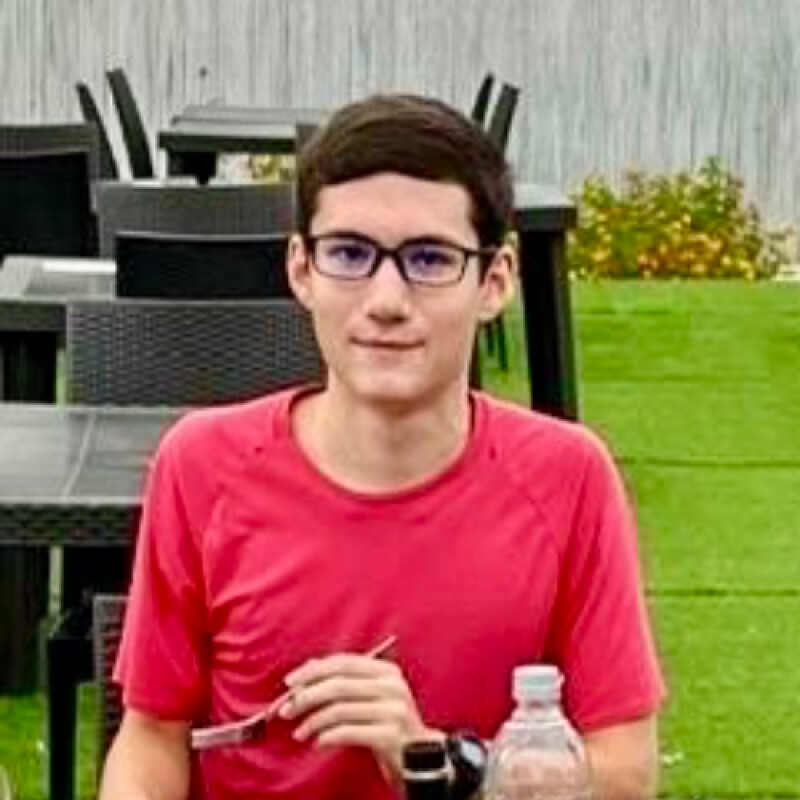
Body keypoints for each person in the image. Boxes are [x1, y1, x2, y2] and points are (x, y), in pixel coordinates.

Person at [100, 94, 664, 800]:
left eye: (429, 259)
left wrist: (440, 760)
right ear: (301, 269)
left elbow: (626, 772)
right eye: (350, 254)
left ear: (495, 282)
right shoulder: (203, 465)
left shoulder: (567, 478)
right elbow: (153, 738)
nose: (387, 299)